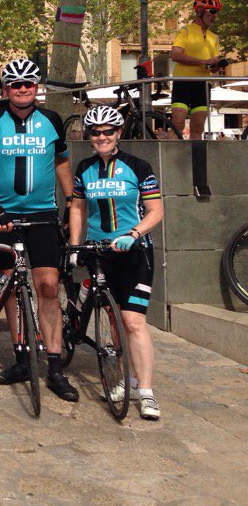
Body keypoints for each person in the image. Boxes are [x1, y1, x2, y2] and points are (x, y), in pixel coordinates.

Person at [0, 58, 77, 402]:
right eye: (15, 85)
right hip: (5, 217)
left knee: (47, 285)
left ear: (36, 88)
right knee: (13, 288)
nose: (22, 90)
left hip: (43, 214)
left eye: (28, 85)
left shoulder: (51, 120)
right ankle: (20, 358)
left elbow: (61, 160)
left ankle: (55, 366)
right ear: (5, 90)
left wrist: (71, 200)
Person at [69, 105, 164, 420]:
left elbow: (156, 212)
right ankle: (126, 380)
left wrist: (134, 233)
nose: (101, 137)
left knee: (134, 322)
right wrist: (74, 245)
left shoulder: (138, 167)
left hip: (135, 253)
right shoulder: (84, 168)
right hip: (101, 252)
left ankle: (146, 392)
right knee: (114, 321)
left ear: (119, 133)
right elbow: (79, 209)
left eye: (108, 132)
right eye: (95, 132)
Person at [170, 0, 223, 140]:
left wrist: (216, 66)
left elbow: (211, 67)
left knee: (198, 127)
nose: (215, 16)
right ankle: (170, 160)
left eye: (217, 13)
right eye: (212, 12)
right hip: (183, 81)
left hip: (203, 84)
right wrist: (204, 61)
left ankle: (196, 161)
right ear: (200, 11)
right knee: (178, 125)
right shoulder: (185, 31)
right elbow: (175, 55)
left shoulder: (214, 37)